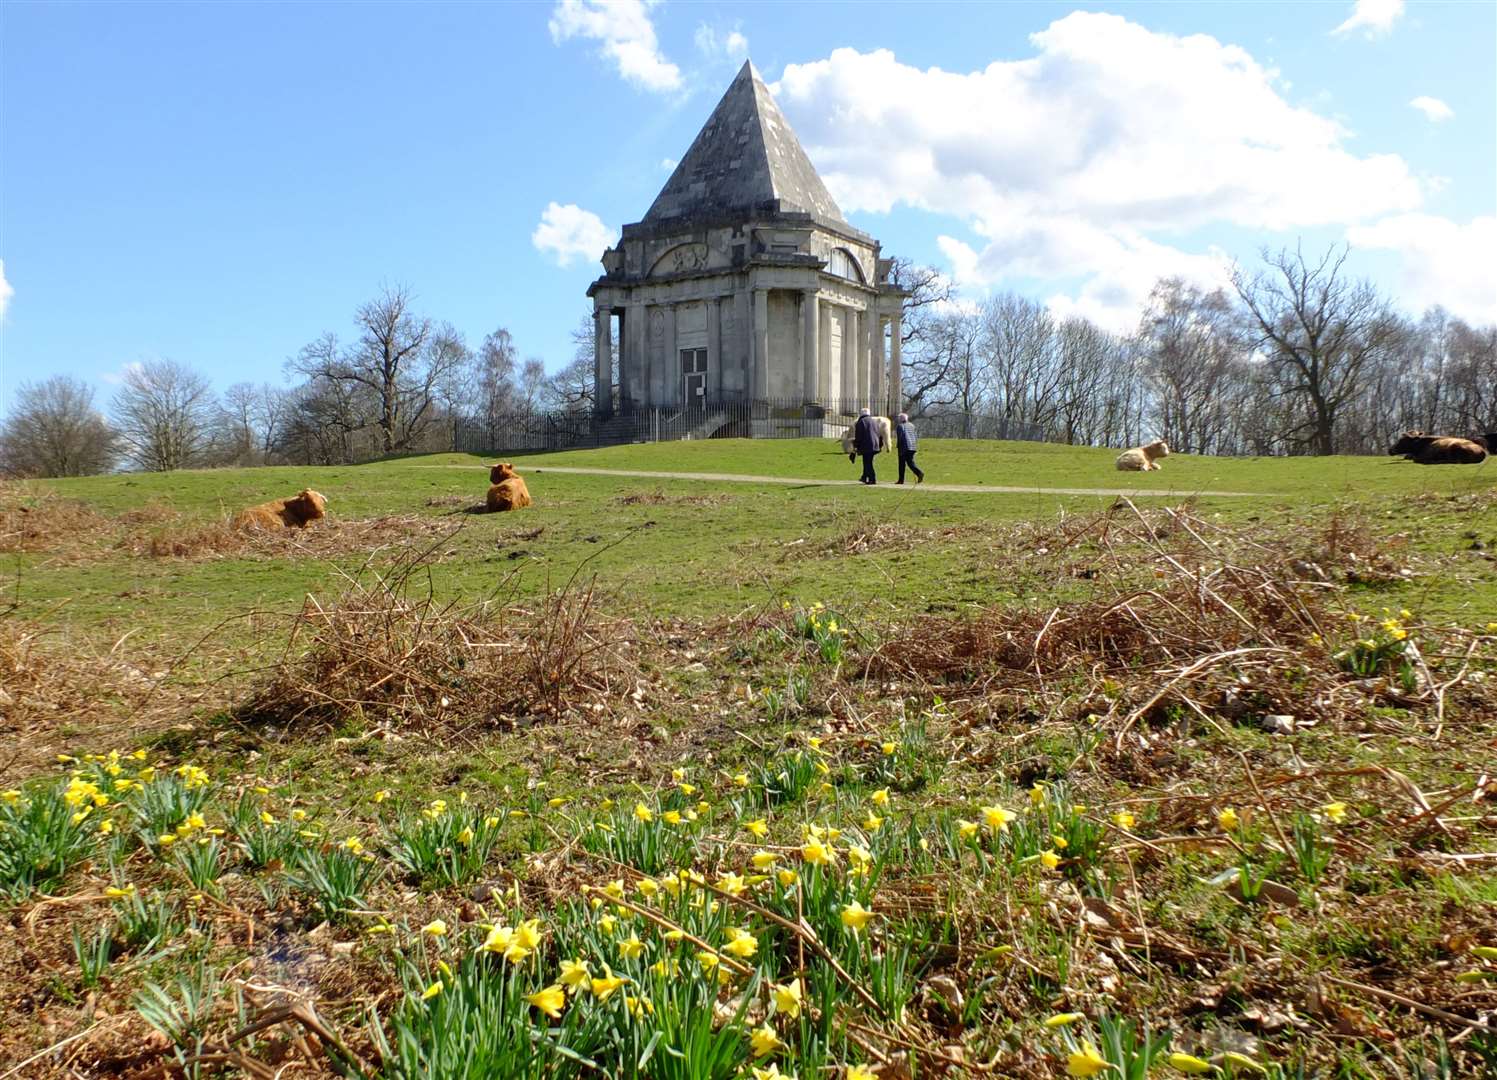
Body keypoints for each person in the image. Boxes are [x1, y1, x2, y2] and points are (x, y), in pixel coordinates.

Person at [853, 407, 883, 485]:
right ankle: (864, 477)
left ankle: (872, 479)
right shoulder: (874, 421)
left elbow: (858, 436)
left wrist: (855, 446)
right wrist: (880, 445)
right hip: (875, 444)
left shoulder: (861, 422)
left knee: (868, 463)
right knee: (867, 461)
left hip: (866, 445)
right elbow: (879, 434)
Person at [894, 412, 923, 484]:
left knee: (901, 464)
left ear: (901, 419)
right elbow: (915, 436)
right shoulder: (912, 425)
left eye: (899, 418)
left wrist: (898, 447)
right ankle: (918, 473)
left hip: (904, 447)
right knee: (910, 463)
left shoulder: (900, 426)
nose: (898, 419)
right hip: (912, 447)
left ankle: (901, 480)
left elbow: (900, 437)